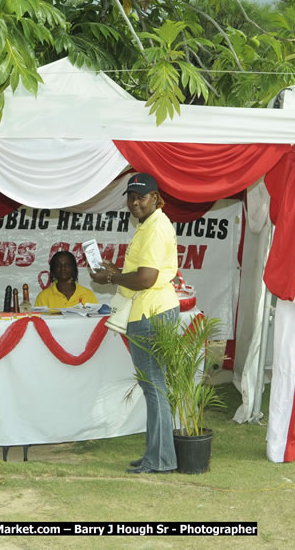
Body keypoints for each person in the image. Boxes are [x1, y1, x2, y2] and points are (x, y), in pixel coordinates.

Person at [89, 172, 180, 474]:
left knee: (154, 387)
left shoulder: (155, 228)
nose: (135, 201)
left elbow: (146, 279)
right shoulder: (149, 226)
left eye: (141, 196)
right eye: (131, 196)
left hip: (152, 312)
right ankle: (156, 453)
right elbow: (137, 278)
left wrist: (112, 277)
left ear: (155, 197)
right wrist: (115, 272)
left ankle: (161, 459)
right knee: (153, 386)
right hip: (148, 310)